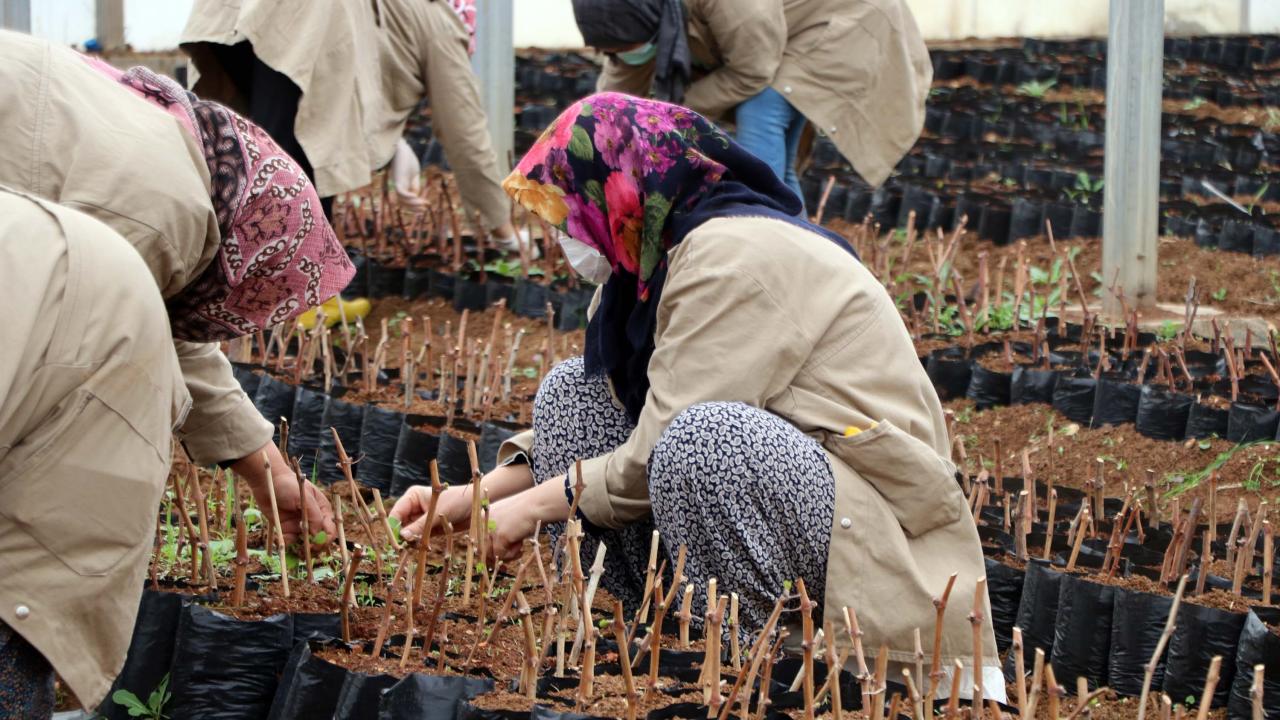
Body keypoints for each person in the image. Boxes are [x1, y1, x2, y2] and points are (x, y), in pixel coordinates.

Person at [391, 93, 1002, 696]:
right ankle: (648, 628)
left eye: (571, 212)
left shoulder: (732, 257)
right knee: (571, 395)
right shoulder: (647, 267)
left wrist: (528, 510)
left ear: (624, 188)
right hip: (794, 488)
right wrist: (474, 496)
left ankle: (749, 663)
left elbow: (659, 444)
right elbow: (635, 415)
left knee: (705, 442)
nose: (565, 234)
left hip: (876, 523)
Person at [0, 32, 349, 715]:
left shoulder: (180, 168)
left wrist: (268, 470)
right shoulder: (161, 206)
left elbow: (156, 323)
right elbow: (73, 318)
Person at [180, 0, 530, 253]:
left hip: (234, 15)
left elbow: (373, 68)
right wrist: (502, 228)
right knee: (308, 149)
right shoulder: (442, 19)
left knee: (250, 148)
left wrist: (396, 150)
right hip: (314, 17)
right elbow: (465, 133)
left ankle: (226, 283)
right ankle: (294, 308)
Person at [571, 0, 932, 199]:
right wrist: (595, 141)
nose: (623, 56)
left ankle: (771, 233)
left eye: (628, 48)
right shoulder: (642, 13)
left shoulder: (733, 5)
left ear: (651, 19)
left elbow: (752, 72)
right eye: (610, 51)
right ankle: (796, 249)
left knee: (760, 115)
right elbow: (618, 87)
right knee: (778, 169)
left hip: (844, 19)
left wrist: (668, 115)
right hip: (778, 35)